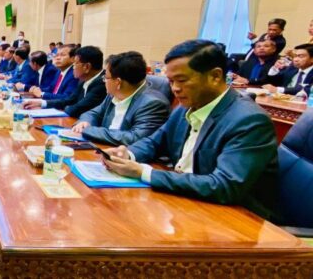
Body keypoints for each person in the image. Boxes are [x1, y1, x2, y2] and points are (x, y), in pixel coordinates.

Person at [102, 40, 278, 219]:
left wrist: (144, 172)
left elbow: (225, 185)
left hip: (234, 218)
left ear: (215, 76)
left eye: (182, 80)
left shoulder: (249, 120)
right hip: (186, 201)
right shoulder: (186, 107)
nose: (175, 89)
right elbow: (154, 142)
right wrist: (128, 154)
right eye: (171, 81)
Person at [68, 52, 170, 146]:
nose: (104, 81)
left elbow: (134, 138)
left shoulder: (153, 103)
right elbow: (93, 113)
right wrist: (84, 122)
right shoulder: (114, 94)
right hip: (103, 147)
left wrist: (88, 130)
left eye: (106, 77)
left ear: (118, 82)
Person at [23, 46, 106, 118]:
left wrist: (66, 107)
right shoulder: (84, 80)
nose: (73, 67)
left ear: (87, 67)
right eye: (56, 55)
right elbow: (69, 100)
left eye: (75, 63)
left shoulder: (101, 83)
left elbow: (75, 109)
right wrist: (41, 103)